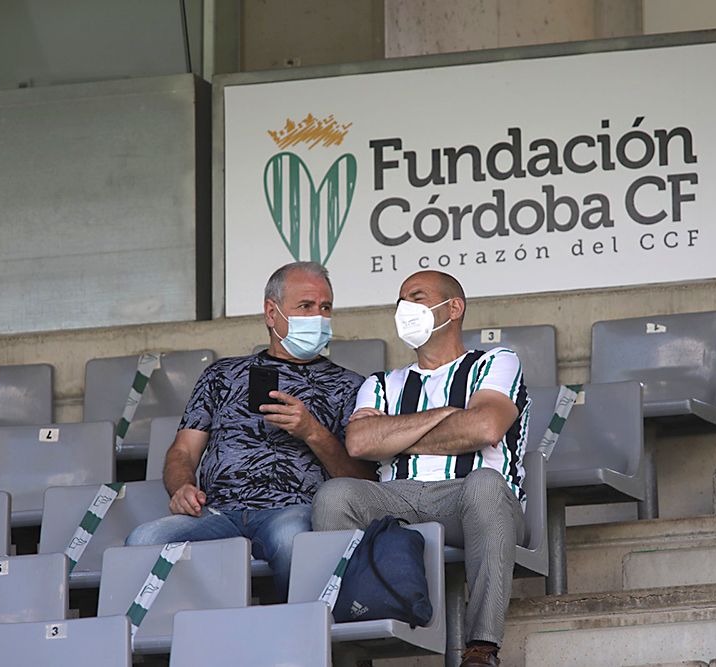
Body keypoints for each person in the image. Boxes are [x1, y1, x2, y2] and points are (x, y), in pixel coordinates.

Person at [312, 270, 528, 667]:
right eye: (400, 301)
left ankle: (482, 646)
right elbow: (360, 443)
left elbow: (485, 426)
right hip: (397, 496)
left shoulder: (496, 361)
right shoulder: (383, 383)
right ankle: (347, 638)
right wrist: (446, 415)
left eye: (417, 297)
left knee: (484, 482)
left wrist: (395, 435)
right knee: (335, 494)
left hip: (469, 496)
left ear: (454, 307)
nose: (405, 309)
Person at [127, 261, 375, 599]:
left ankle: (304, 641)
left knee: (293, 541)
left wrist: (312, 432)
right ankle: (176, 648)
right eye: (305, 306)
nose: (318, 316)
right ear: (271, 314)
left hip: (294, 510)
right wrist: (182, 487)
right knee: (143, 541)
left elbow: (363, 482)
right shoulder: (222, 375)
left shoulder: (351, 386)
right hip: (216, 512)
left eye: (325, 307)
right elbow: (183, 451)